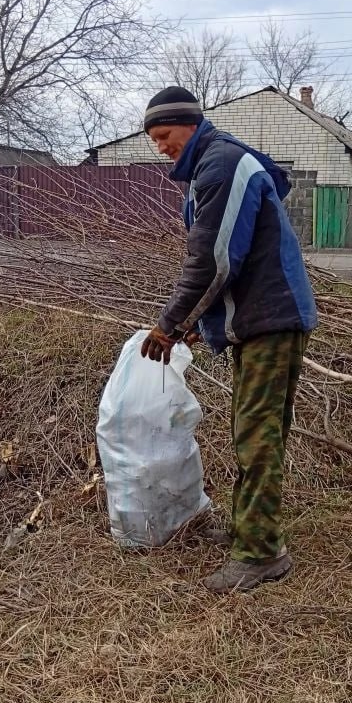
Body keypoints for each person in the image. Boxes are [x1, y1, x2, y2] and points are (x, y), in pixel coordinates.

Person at [138, 86, 318, 593]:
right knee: (252, 430)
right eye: (153, 139)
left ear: (190, 124)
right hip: (261, 318)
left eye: (164, 135)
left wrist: (170, 323)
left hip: (271, 320)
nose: (161, 147)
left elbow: (213, 260)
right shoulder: (212, 165)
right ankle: (249, 529)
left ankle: (260, 553)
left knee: (257, 435)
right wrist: (203, 322)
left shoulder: (221, 165)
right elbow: (235, 255)